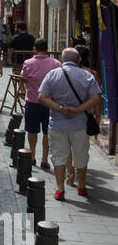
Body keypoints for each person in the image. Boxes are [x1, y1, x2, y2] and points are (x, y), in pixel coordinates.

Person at [38, 48, 102, 201]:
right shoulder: (87, 75)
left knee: (59, 156)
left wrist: (59, 108)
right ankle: (81, 186)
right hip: (80, 124)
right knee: (81, 155)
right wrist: (77, 110)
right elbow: (96, 98)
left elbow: (41, 96)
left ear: (62, 59)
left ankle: (60, 189)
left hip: (58, 124)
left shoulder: (52, 74)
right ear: (78, 60)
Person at [19, 39, 60, 171]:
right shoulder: (56, 63)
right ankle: (44, 159)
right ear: (47, 49)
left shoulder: (28, 62)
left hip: (32, 101)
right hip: (50, 102)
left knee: (32, 131)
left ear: (35, 48)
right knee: (47, 132)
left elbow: (23, 77)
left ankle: (32, 156)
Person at [65, 43, 101, 186]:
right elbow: (96, 99)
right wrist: (97, 117)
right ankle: (81, 181)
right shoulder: (92, 74)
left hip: (66, 115)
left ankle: (70, 173)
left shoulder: (64, 72)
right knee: (81, 148)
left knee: (67, 146)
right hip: (85, 116)